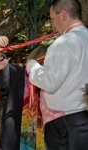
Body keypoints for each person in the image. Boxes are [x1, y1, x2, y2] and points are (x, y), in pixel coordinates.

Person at [26, 0, 88, 150]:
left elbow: (50, 82)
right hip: (82, 117)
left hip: (65, 122)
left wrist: (32, 65)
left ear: (63, 15)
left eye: (52, 19)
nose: (52, 24)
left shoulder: (64, 42)